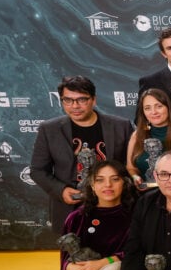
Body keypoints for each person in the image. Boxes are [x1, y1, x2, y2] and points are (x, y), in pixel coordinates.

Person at [31, 76, 133, 232]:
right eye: (68, 100)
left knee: (116, 254)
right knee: (75, 255)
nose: (75, 106)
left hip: (115, 207)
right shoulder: (49, 129)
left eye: (82, 100)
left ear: (94, 100)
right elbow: (37, 170)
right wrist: (61, 190)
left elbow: (133, 165)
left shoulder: (121, 126)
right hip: (71, 209)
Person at [127, 88, 171, 188]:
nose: (153, 112)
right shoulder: (137, 135)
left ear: (168, 107)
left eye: (159, 106)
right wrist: (135, 177)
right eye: (147, 108)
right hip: (146, 195)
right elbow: (130, 167)